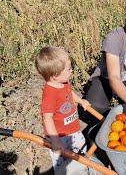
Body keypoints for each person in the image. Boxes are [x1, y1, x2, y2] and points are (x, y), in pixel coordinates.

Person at [35, 46, 92, 174]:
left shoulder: (63, 83)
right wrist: (54, 140)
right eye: (69, 69)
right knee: (62, 163)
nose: (71, 71)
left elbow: (70, 93)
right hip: (60, 136)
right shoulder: (50, 94)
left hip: (74, 130)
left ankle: (81, 170)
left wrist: (81, 101)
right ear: (55, 75)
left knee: (81, 154)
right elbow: (47, 118)